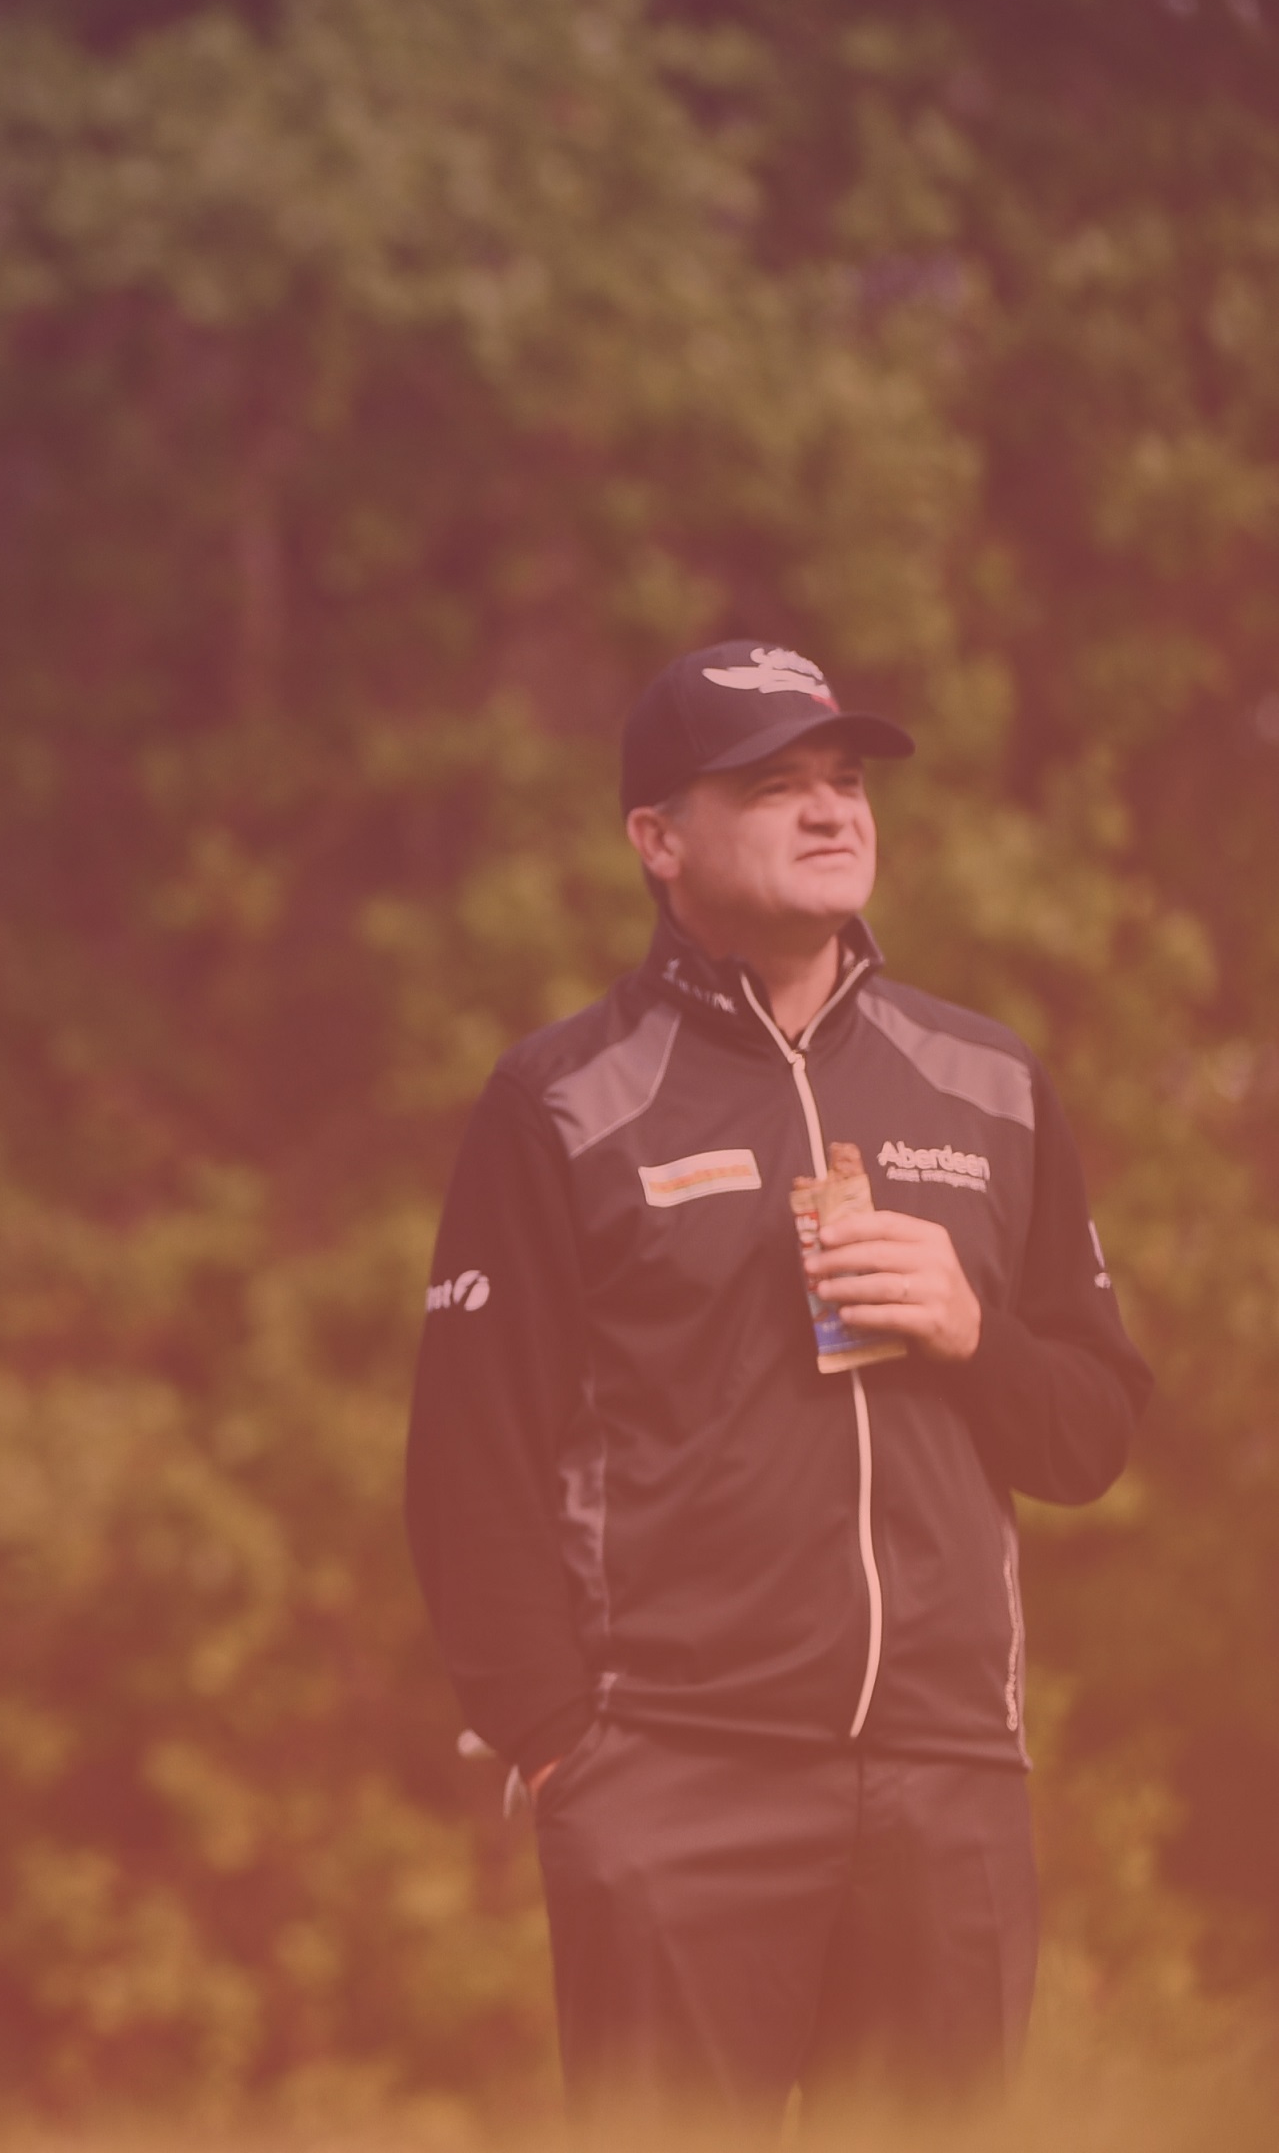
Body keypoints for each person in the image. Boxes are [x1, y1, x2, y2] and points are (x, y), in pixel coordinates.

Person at [404, 641, 1154, 2117]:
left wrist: (972, 1331)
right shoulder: (558, 1101)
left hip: (949, 1781)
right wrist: (568, 1754)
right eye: (774, 786)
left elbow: (1093, 1433)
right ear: (658, 840)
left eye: (846, 781)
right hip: (674, 1781)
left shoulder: (990, 1083)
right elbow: (467, 1467)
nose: (831, 813)